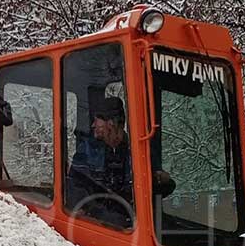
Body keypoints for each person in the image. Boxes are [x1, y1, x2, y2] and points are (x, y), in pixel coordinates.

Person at [67, 97, 174, 227]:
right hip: (97, 223)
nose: (93, 125)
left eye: (97, 120)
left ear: (111, 123)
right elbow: (74, 184)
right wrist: (94, 211)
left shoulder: (141, 152)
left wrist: (163, 181)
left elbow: (152, 192)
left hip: (132, 224)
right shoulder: (88, 150)